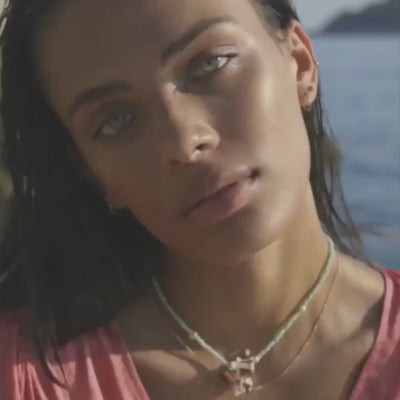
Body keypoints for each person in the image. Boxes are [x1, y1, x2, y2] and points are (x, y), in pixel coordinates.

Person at [0, 0, 399, 399]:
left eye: (211, 64)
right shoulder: (22, 376)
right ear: (92, 171)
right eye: (115, 120)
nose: (185, 143)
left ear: (300, 63)